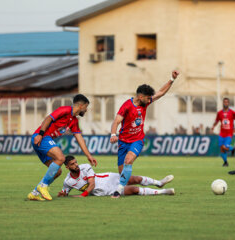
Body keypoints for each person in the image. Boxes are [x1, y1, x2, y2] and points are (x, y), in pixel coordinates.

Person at [110, 70, 179, 198]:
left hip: (137, 140)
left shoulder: (144, 103)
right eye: (147, 98)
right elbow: (116, 121)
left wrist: (172, 79)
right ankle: (158, 183)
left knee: (128, 160)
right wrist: (113, 134)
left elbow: (161, 93)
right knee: (126, 178)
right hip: (123, 142)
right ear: (141, 97)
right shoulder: (126, 106)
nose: (149, 101)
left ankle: (117, 191)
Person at [27, 94, 98, 201]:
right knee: (60, 158)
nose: (86, 110)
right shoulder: (65, 110)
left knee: (57, 171)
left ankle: (34, 193)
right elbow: (48, 119)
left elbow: (80, 139)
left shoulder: (74, 121)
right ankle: (43, 186)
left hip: (43, 140)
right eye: (86, 107)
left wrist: (88, 155)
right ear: (81, 105)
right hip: (41, 137)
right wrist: (40, 134)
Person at [57, 156, 175, 198]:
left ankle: (159, 183)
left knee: (134, 179)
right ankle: (164, 192)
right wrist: (62, 194)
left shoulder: (85, 167)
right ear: (67, 167)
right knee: (134, 190)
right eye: (72, 164)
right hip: (106, 191)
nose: (76, 165)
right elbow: (65, 192)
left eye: (76, 162)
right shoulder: (68, 181)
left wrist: (82, 195)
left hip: (109, 178)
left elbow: (91, 184)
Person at [211, 98, 235, 167]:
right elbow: (216, 121)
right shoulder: (219, 113)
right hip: (221, 134)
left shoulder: (232, 112)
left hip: (229, 134)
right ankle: (225, 162)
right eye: (224, 102)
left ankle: (233, 148)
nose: (225, 103)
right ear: (223, 103)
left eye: (227, 102)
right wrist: (213, 126)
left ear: (228, 103)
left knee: (224, 147)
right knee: (222, 149)